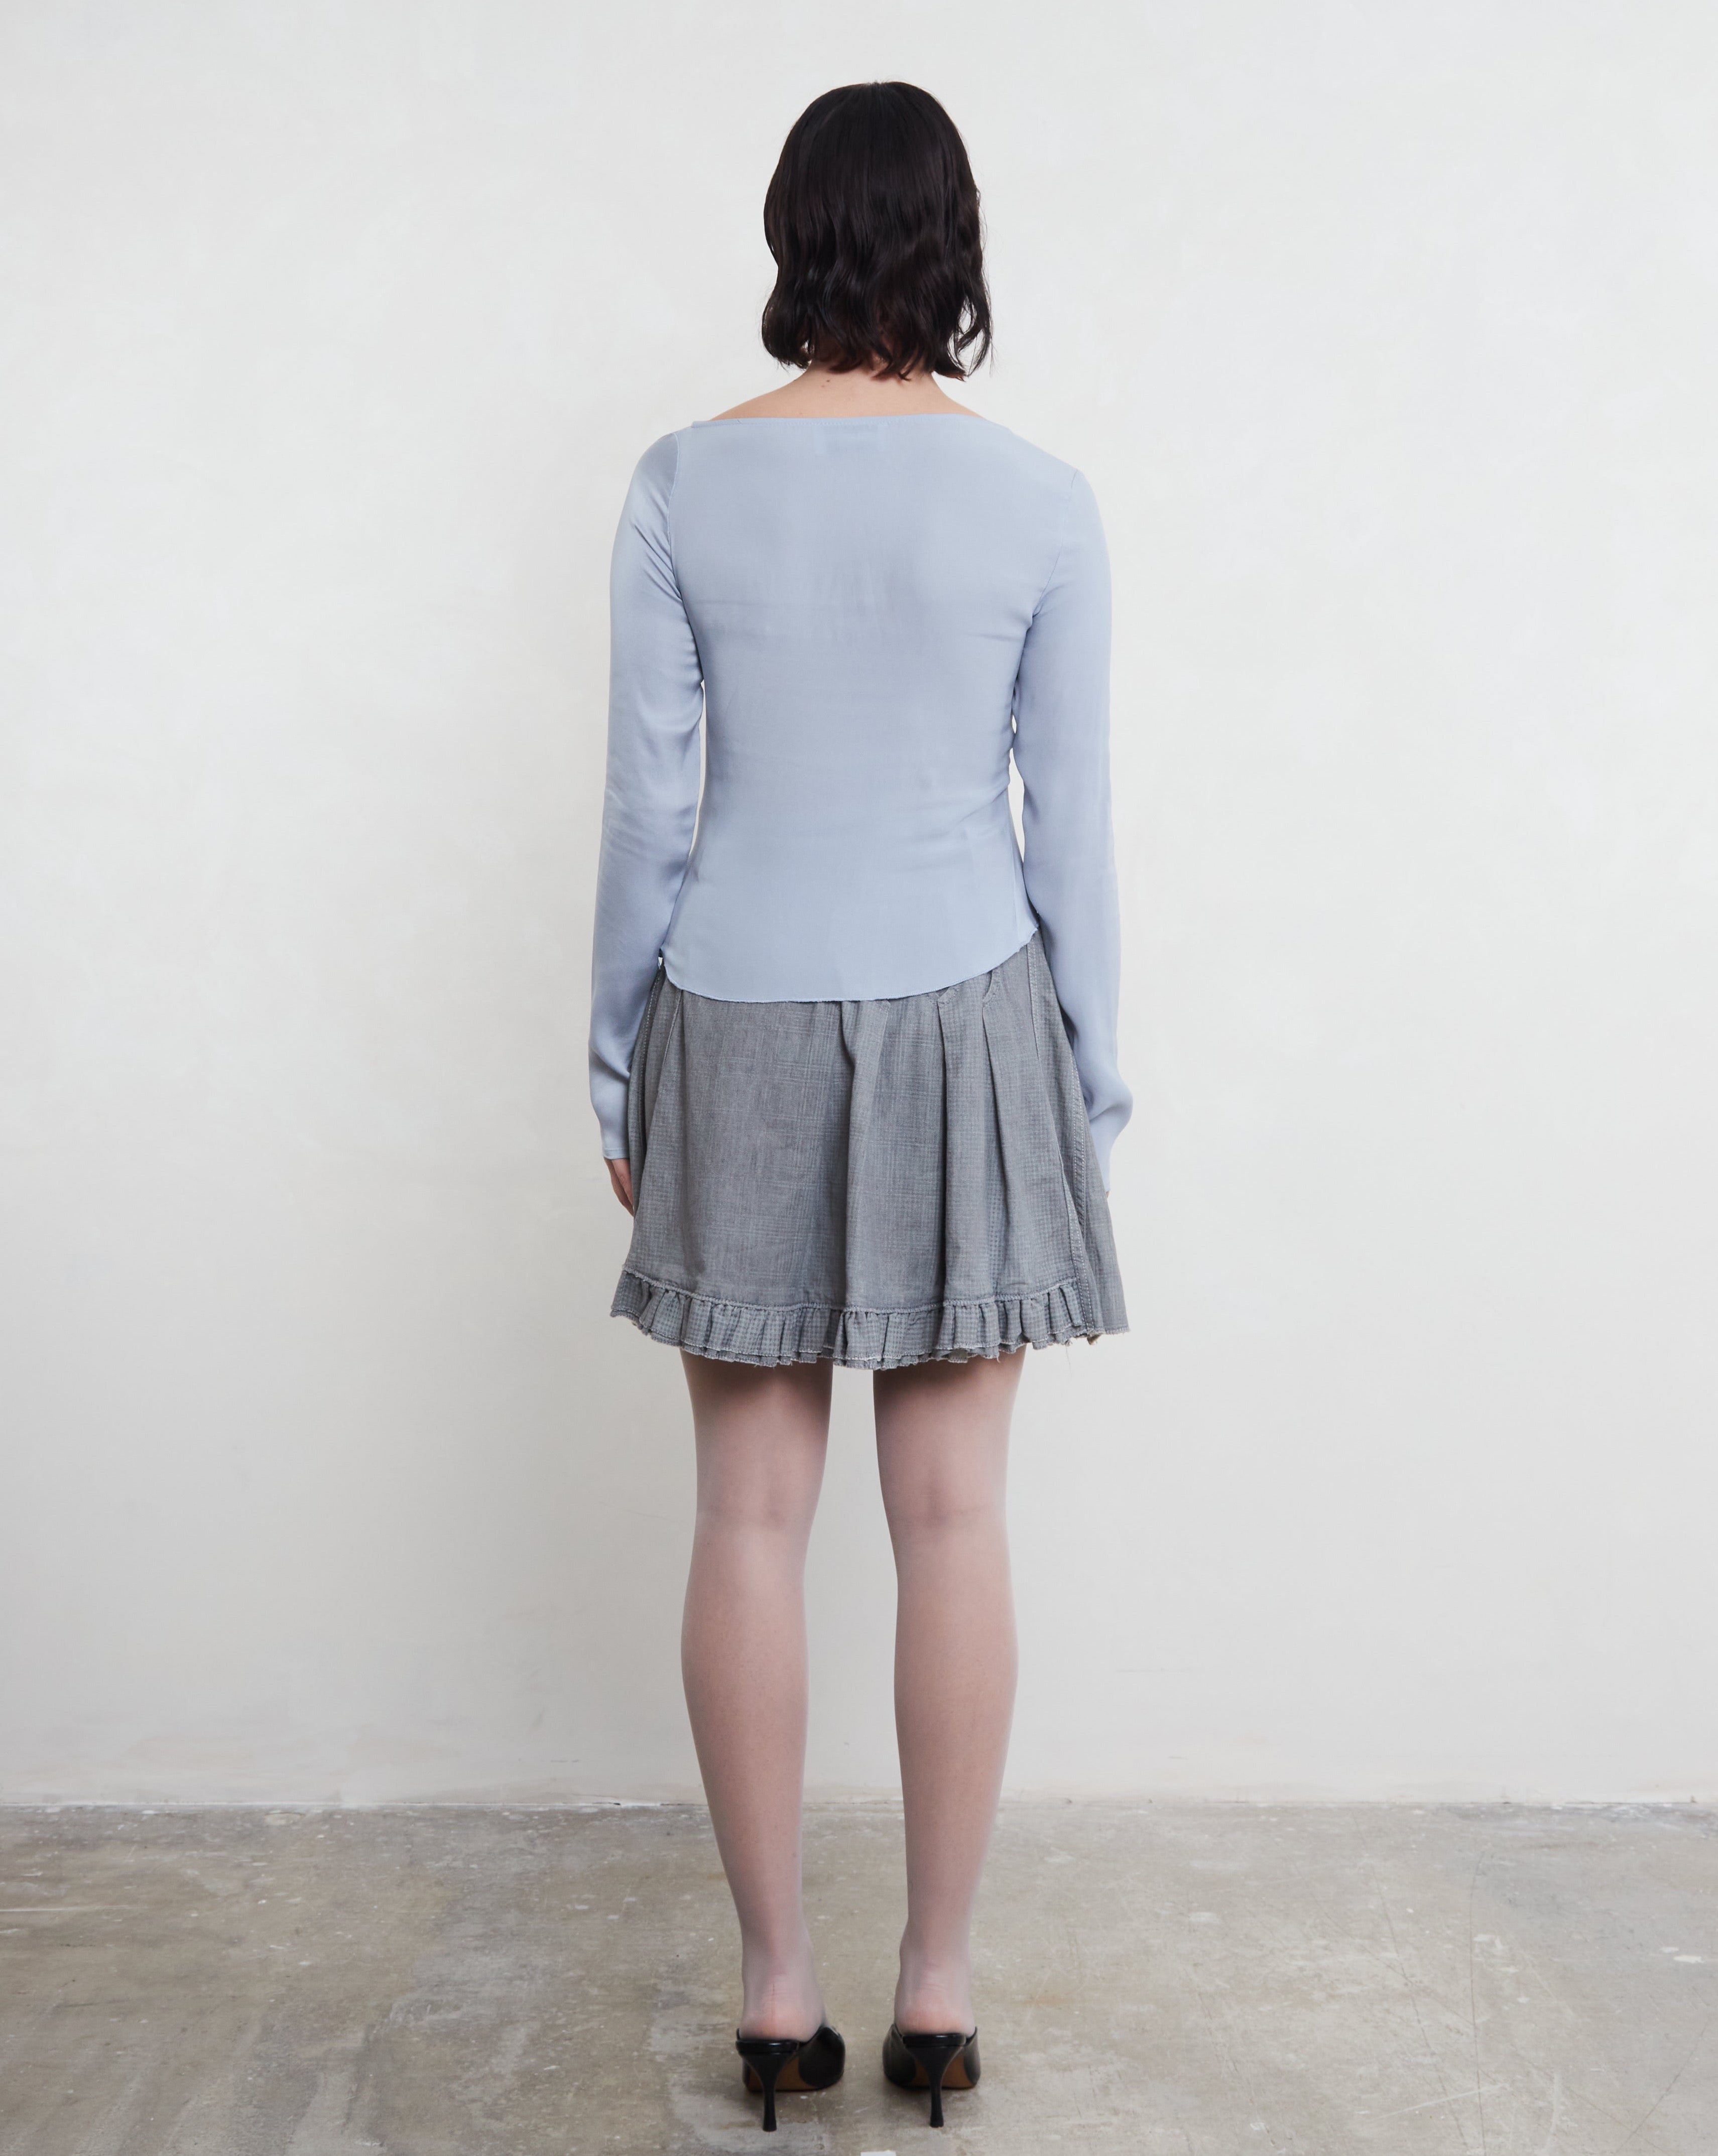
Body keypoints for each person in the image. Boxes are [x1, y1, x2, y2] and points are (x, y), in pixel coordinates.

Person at [588, 79, 1131, 2133]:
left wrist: (613, 1056)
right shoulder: (1040, 499)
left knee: (743, 1512)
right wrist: (1088, 1076)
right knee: (955, 1519)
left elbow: (652, 806)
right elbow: (1063, 825)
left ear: (791, 233)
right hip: (969, 1016)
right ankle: (937, 1990)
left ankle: (771, 1991)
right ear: (952, 240)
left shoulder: (675, 484)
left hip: (729, 1000)